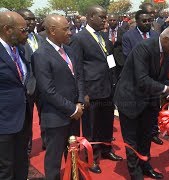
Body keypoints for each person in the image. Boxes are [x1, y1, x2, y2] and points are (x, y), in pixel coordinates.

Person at [114, 26, 169, 180]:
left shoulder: (166, 51)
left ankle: (145, 165)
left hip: (149, 101)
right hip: (130, 100)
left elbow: (163, 77)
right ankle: (135, 174)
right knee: (132, 141)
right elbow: (142, 80)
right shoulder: (144, 48)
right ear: (165, 40)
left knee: (146, 137)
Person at [70, 5, 123, 174]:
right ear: (91, 16)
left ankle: (106, 149)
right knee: (91, 127)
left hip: (107, 88)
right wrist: (82, 93)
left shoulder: (104, 37)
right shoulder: (79, 38)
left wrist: (114, 83)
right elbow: (77, 68)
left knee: (106, 123)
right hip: (91, 91)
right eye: (102, 17)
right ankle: (91, 157)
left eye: (106, 17)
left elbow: (110, 61)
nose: (105, 21)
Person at [32, 14, 84, 180]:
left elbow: (79, 78)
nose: (70, 32)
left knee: (74, 154)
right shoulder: (40, 55)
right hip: (55, 117)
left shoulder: (69, 50)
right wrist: (72, 109)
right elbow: (47, 91)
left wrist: (80, 102)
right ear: (52, 31)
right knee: (54, 161)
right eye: (66, 29)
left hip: (75, 114)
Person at [122, 10, 162, 145]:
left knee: (153, 111)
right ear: (137, 21)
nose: (147, 23)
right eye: (143, 21)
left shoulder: (156, 35)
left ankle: (153, 132)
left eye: (149, 20)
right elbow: (128, 57)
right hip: (137, 81)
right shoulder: (128, 36)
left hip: (153, 81)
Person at [0, 11, 30, 180]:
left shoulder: (18, 49)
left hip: (22, 119)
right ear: (7, 29)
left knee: (21, 163)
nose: (27, 33)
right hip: (3, 123)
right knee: (5, 168)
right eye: (23, 30)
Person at [16, 8, 45, 155]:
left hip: (44, 86)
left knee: (45, 115)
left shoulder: (40, 38)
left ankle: (46, 140)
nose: (32, 22)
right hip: (27, 88)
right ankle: (26, 151)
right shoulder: (16, 41)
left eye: (33, 19)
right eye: (28, 19)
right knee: (27, 122)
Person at [107, 14, 127, 78]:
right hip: (109, 58)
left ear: (117, 21)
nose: (112, 22)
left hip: (120, 60)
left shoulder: (124, 32)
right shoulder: (104, 32)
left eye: (114, 20)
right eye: (110, 20)